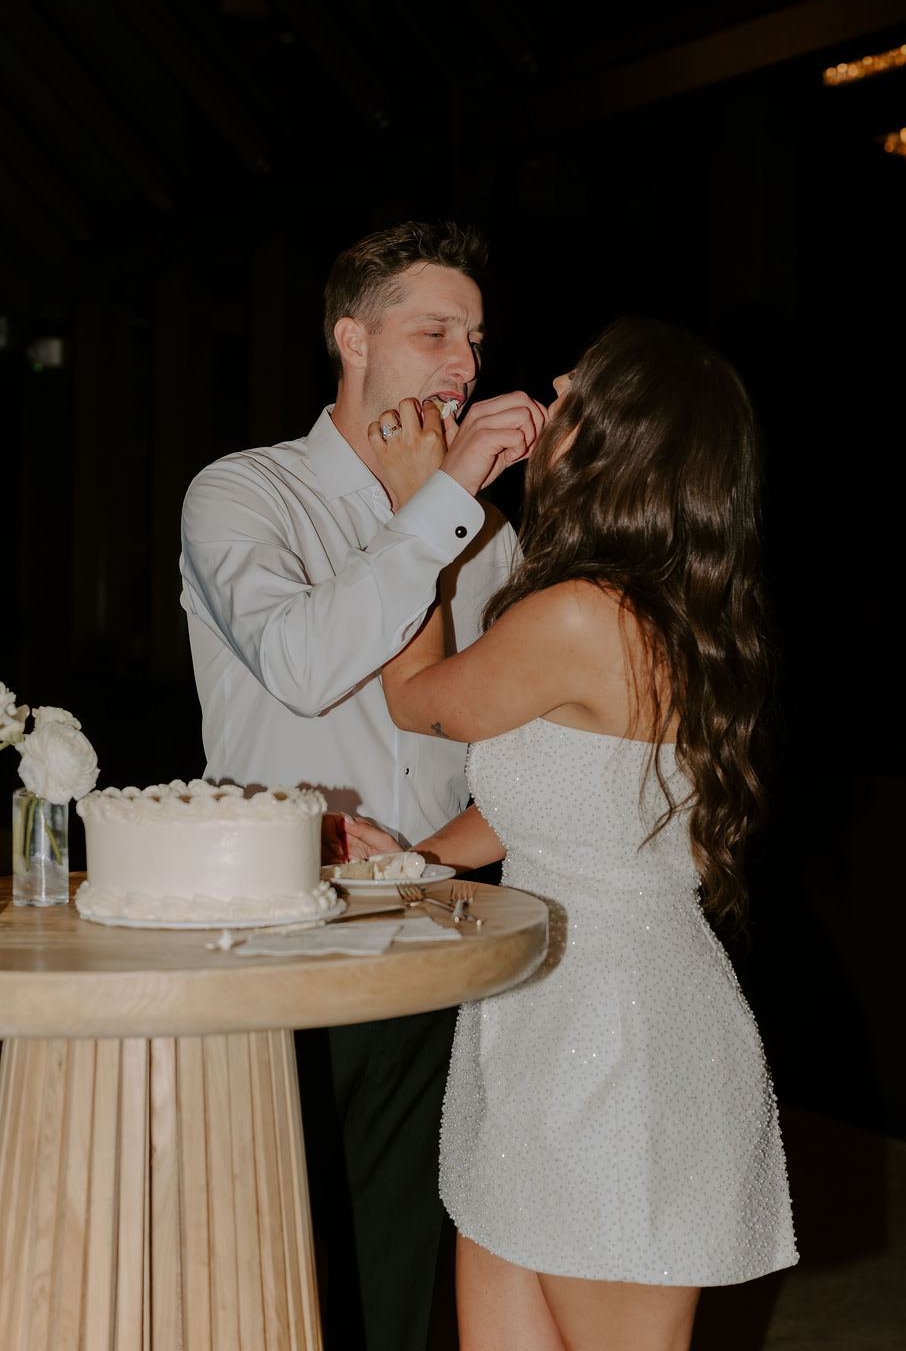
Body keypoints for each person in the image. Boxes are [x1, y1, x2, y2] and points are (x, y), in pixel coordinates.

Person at [356, 316, 800, 1351]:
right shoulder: (663, 610)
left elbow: (415, 699)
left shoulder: (584, 615)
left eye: (571, 392)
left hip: (618, 1046)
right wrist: (412, 864)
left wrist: (427, 503)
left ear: (620, 441)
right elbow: (553, 807)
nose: (547, 395)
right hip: (535, 1024)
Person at [178, 220, 547, 1351]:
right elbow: (301, 666)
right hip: (270, 938)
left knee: (396, 1272)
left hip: (433, 931)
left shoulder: (488, 538)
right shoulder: (243, 494)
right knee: (257, 1269)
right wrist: (430, 504)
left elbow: (515, 740)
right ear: (350, 339)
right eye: (435, 332)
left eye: (474, 339)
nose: (465, 365)